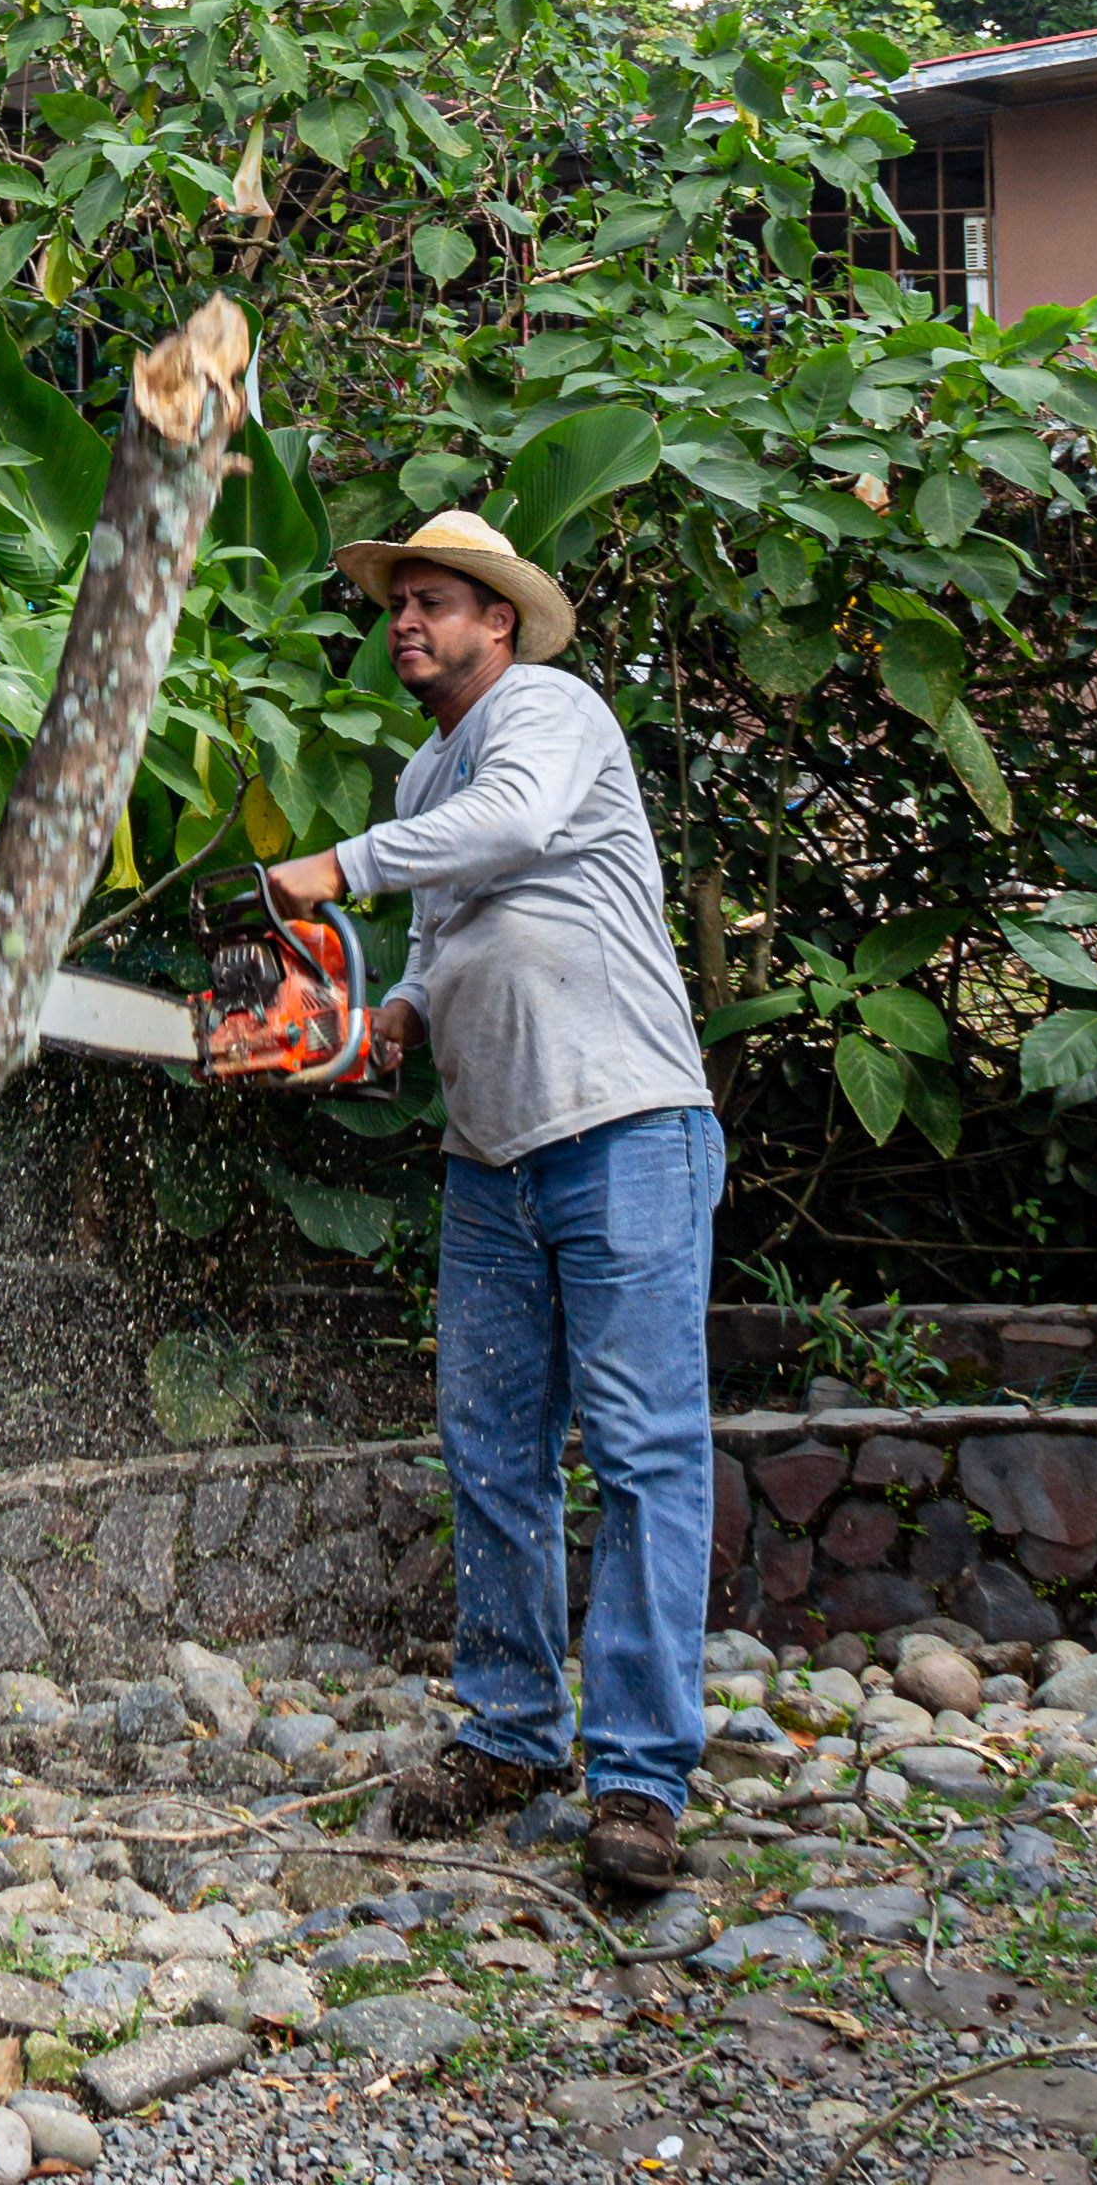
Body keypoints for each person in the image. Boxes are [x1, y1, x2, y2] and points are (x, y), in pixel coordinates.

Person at [265, 509, 720, 1893]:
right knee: (491, 1455)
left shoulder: (549, 713)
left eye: (435, 602)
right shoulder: (422, 771)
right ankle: (515, 1730)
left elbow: (514, 827)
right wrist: (387, 1021)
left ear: (498, 624)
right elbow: (440, 934)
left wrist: (337, 866)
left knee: (643, 1455)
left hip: (624, 1125)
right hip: (488, 1157)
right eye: (397, 602)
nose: (408, 621)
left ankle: (639, 1780)